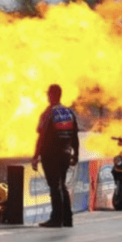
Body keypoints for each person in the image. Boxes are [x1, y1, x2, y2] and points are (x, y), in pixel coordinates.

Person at [32, 83, 80, 228]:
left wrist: (36, 156)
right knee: (62, 185)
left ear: (52, 95)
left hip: (50, 154)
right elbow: (75, 136)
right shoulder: (69, 113)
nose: (47, 97)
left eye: (48, 94)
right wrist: (75, 154)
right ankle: (67, 219)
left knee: (54, 186)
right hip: (65, 154)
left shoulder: (49, 113)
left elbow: (42, 136)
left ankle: (56, 219)